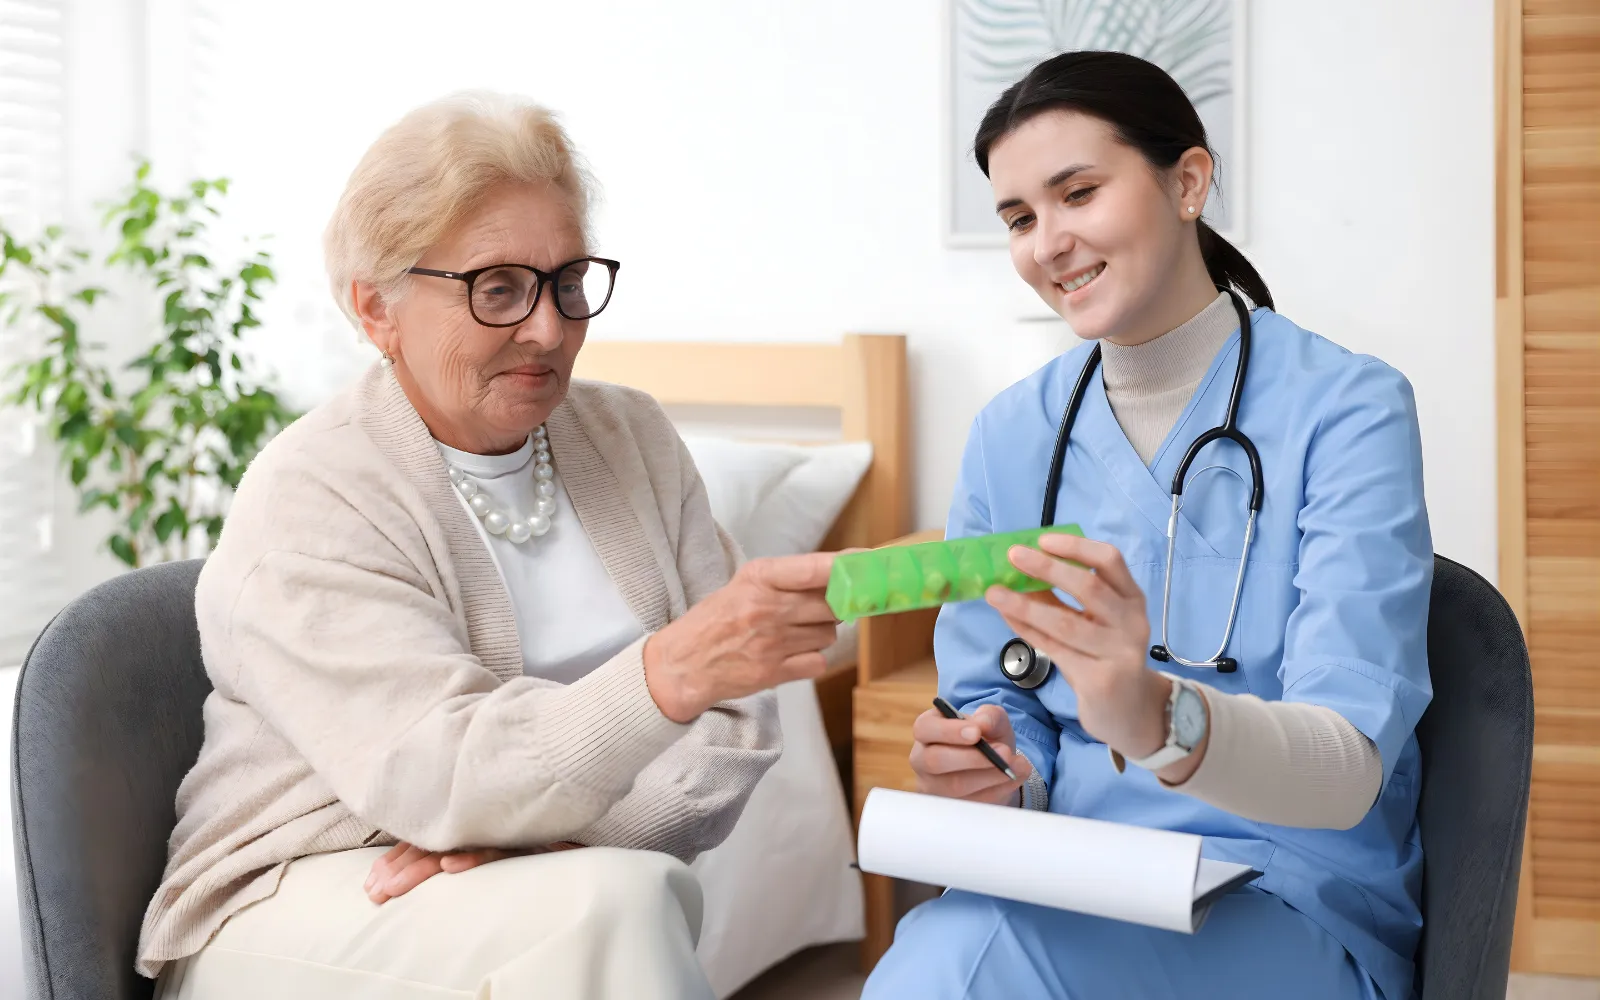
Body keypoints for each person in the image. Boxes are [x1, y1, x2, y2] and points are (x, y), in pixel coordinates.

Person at [140, 92, 842, 1000]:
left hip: (539, 875)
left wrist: (563, 837)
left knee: (611, 896)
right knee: (613, 911)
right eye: (497, 288)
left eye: (567, 281)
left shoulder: (632, 438)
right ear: (376, 309)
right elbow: (437, 771)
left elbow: (738, 722)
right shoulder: (311, 494)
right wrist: (666, 674)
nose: (548, 329)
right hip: (303, 890)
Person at [863, 52, 1430, 1000]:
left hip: (1287, 893)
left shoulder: (1349, 410)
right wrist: (994, 766)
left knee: (957, 974)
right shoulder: (1012, 435)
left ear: (1188, 182)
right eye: (1018, 218)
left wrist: (1157, 717)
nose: (1048, 242)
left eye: (1077, 192)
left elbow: (1346, 770)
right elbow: (1001, 706)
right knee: (942, 951)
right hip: (1077, 875)